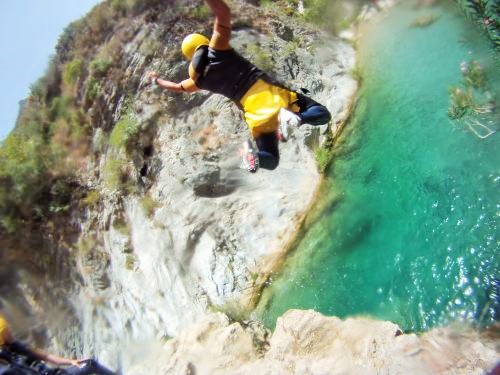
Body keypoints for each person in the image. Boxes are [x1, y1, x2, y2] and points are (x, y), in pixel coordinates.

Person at [148, 0, 331, 172]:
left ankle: (255, 158)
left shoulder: (197, 81)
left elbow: (178, 87)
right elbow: (223, 13)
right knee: (321, 113)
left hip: (255, 117)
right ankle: (297, 119)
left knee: (271, 159)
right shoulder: (216, 50)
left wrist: (156, 81)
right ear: (202, 41)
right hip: (269, 94)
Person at [0, 314, 115, 375]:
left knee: (89, 364)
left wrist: (70, 361)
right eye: (5, 331)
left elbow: (46, 356)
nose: (9, 332)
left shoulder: (15, 348)